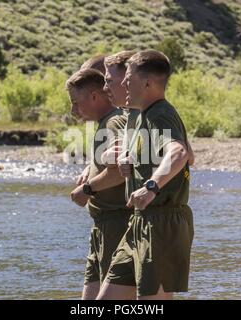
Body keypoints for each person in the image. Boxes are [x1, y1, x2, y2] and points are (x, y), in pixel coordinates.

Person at [97, 50, 194, 300]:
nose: (123, 84)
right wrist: (128, 161)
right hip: (139, 222)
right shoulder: (143, 116)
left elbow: (180, 152)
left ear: (147, 83)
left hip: (161, 222)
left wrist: (151, 186)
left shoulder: (160, 113)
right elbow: (187, 155)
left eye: (128, 79)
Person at [66, 68, 132, 299]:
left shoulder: (113, 123)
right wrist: (90, 170)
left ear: (94, 96)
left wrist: (87, 189)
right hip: (101, 226)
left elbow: (122, 171)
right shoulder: (107, 122)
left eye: (75, 103)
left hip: (116, 223)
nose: (73, 110)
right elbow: (108, 165)